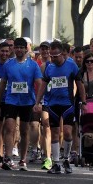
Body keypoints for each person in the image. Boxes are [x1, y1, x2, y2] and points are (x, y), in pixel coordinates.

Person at [0, 37, 43, 171]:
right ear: (14, 49)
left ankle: (23, 159)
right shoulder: (8, 64)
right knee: (9, 128)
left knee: (24, 130)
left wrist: (38, 102)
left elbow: (39, 84)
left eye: (21, 47)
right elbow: (3, 84)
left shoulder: (33, 65)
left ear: (26, 49)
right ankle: (8, 157)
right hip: (11, 100)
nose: (18, 50)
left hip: (27, 102)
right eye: (16, 47)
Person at [34, 41, 79, 174]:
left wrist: (82, 100)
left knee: (67, 132)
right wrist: (37, 102)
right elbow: (43, 84)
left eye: (55, 56)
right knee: (53, 133)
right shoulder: (49, 67)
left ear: (62, 54)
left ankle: (66, 158)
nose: (52, 58)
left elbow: (79, 83)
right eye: (51, 56)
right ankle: (56, 163)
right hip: (52, 104)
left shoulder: (71, 65)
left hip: (67, 104)